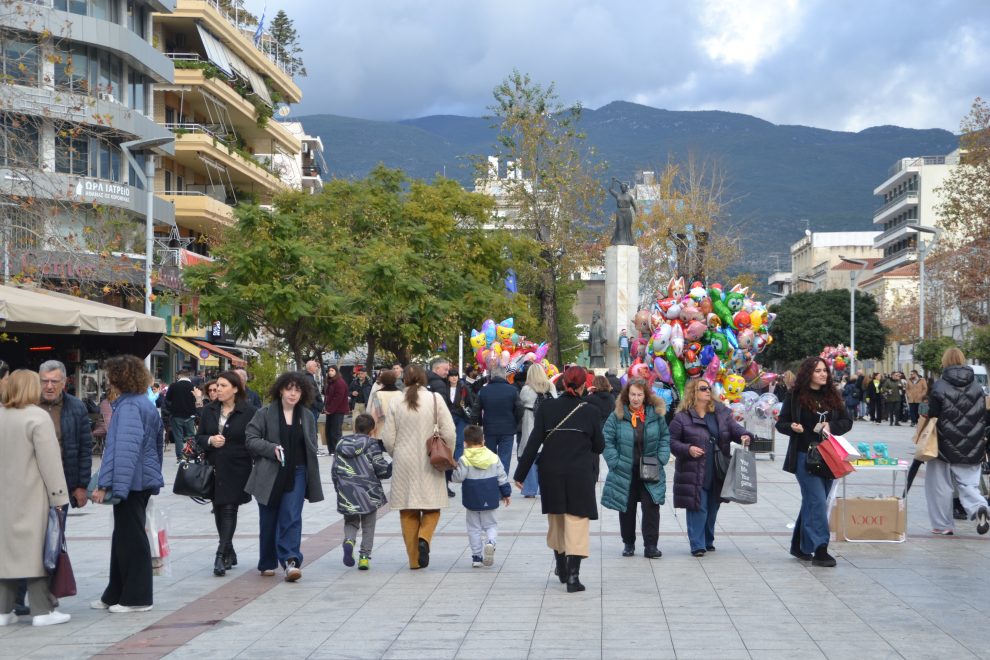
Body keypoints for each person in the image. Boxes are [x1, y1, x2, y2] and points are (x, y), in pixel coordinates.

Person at [514, 366, 604, 593]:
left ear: (563, 383)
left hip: (551, 471)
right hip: (580, 473)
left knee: (557, 520)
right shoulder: (591, 411)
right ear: (584, 385)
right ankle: (573, 577)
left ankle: (561, 567)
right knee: (577, 522)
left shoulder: (547, 407)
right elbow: (599, 445)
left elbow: (534, 441)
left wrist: (520, 474)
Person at [91, 355, 165, 613]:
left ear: (118, 377)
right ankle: (115, 593)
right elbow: (155, 444)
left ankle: (137, 598)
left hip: (132, 483)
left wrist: (109, 486)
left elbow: (123, 452)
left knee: (131, 539)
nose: (107, 380)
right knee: (124, 536)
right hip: (139, 480)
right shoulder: (141, 404)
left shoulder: (130, 407)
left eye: (110, 375)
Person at [0, 370, 72, 627]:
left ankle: (3, 610)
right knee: (39, 552)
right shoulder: (37, 417)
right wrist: (60, 497)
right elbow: (50, 463)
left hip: (4, 497)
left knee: (6, 553)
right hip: (32, 495)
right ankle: (41, 610)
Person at [245, 372, 324, 582]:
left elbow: (311, 443)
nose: (293, 393)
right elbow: (251, 439)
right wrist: (271, 449)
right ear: (280, 389)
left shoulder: (306, 415)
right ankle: (267, 561)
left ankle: (291, 561)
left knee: (291, 515)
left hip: (297, 471)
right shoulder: (265, 413)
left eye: (297, 390)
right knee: (269, 519)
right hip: (269, 473)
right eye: (289, 389)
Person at [775, 357, 852, 567]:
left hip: (829, 456)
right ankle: (821, 549)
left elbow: (847, 421)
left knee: (814, 501)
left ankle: (799, 546)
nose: (823, 374)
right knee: (817, 500)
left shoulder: (832, 395)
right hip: (804, 456)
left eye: (825, 371)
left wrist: (832, 427)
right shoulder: (795, 395)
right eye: (818, 371)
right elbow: (781, 423)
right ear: (808, 373)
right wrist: (792, 427)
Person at [380, 364, 456, 570]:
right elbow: (449, 431)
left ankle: (414, 560)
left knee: (408, 511)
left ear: (403, 379)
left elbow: (387, 438)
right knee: (433, 506)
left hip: (404, 462)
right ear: (424, 379)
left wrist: (397, 453)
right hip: (430, 459)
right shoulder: (435, 399)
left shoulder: (396, 401)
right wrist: (447, 452)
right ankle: (424, 538)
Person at [669, 378, 752, 557]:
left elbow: (734, 429)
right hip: (693, 469)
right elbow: (672, 442)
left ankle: (707, 539)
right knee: (698, 506)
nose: (708, 391)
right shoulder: (682, 417)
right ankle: (697, 544)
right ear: (693, 393)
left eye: (709, 388)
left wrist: (745, 435)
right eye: (703, 388)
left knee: (713, 506)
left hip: (717, 467)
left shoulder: (720, 412)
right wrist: (688, 449)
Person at [195, 371, 257, 577]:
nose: (218, 390)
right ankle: (229, 549)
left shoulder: (249, 412)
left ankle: (220, 554)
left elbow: (254, 439)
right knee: (219, 508)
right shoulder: (208, 410)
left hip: (238, 467)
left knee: (230, 508)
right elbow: (199, 437)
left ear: (235, 389)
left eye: (223, 386)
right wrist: (210, 441)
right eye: (217, 386)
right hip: (214, 466)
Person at [602, 379, 671, 558]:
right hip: (625, 468)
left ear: (645, 396)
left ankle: (651, 545)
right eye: (633, 394)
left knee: (651, 507)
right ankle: (628, 543)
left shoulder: (655, 414)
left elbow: (665, 437)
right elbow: (606, 439)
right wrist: (614, 461)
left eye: (640, 395)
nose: (636, 398)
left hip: (650, 466)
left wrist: (662, 458)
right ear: (627, 395)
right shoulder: (617, 415)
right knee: (626, 507)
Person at [924, 347, 988, 536]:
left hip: (943, 444)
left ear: (944, 362)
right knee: (969, 484)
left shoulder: (939, 386)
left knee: (939, 485)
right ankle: (979, 508)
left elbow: (933, 414)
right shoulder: (977, 387)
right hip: (973, 443)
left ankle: (943, 525)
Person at [332, 414, 390, 571]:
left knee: (351, 521)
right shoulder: (372, 444)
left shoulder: (341, 444)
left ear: (354, 427)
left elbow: (335, 469)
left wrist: (339, 488)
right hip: (368, 493)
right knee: (368, 525)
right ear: (373, 430)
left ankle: (349, 540)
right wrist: (390, 468)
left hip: (347, 491)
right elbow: (381, 469)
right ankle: (364, 558)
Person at [452, 424, 511, 567]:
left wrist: (452, 471)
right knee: (491, 525)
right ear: (483, 440)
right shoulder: (493, 457)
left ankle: (476, 557)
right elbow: (501, 476)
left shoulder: (464, 459)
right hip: (490, 496)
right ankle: (490, 542)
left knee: (473, 528)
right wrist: (506, 493)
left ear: (465, 443)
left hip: (472, 498)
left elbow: (458, 478)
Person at [37, 360, 93, 510]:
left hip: (62, 485)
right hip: (32, 486)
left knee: (57, 531)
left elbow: (85, 449)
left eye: (54, 381)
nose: (49, 386)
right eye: (44, 381)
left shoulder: (76, 407)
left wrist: (81, 486)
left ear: (64, 383)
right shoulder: (28, 405)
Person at [473, 362, 520, 476]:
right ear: (504, 376)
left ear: (491, 376)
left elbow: (476, 409)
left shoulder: (484, 391)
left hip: (490, 429)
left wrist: (476, 424)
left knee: (490, 458)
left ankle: (492, 481)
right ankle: (502, 484)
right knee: (505, 459)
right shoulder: (512, 390)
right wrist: (515, 421)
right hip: (508, 429)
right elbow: (520, 408)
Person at [517, 364, 557, 498]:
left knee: (530, 456)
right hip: (548, 426)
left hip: (530, 424)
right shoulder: (551, 387)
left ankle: (530, 489)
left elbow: (521, 404)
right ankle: (545, 487)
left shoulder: (526, 389)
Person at [166, 370, 197, 460]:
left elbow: (168, 398)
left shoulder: (173, 386)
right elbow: (197, 400)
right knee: (191, 436)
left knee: (178, 437)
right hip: (190, 415)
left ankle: (180, 457)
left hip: (176, 415)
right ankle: (191, 455)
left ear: (179, 376)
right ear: (188, 376)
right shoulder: (193, 386)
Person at [323, 365, 349, 454]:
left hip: (338, 411)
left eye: (332, 370)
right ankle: (331, 450)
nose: (330, 372)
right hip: (331, 411)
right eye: (329, 370)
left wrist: (330, 409)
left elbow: (338, 398)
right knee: (329, 431)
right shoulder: (331, 382)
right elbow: (328, 397)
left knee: (335, 432)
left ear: (336, 372)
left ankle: (337, 450)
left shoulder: (339, 382)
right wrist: (326, 408)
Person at [368, 369, 403, 437]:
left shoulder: (377, 395)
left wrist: (372, 431)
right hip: (397, 431)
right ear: (394, 380)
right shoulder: (400, 394)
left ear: (382, 380)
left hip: (381, 431)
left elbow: (375, 414)